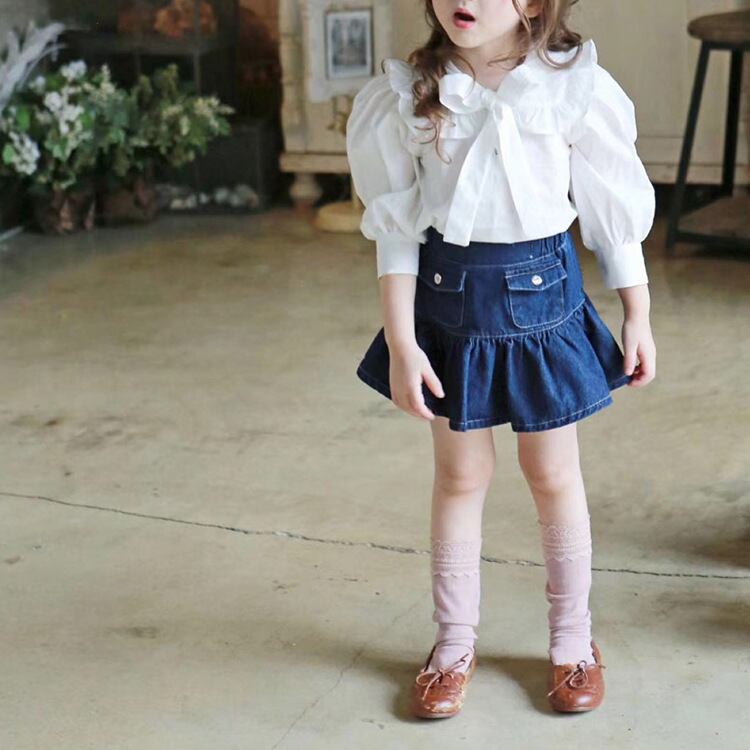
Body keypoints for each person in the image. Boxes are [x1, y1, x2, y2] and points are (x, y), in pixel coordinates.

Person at [345, 0, 657, 718]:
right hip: (448, 305)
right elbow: (396, 231)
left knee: (553, 473)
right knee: (460, 476)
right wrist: (402, 341)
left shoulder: (572, 85)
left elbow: (609, 205)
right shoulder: (410, 94)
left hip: (543, 305)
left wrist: (637, 311)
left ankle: (572, 641)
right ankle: (453, 644)